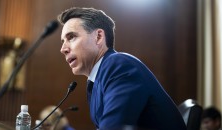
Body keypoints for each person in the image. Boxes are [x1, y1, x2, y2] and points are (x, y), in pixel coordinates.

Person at [57, 7, 186, 130]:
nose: (63, 49)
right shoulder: (96, 80)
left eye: (71, 37)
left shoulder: (118, 65)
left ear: (98, 37)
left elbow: (112, 127)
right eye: (63, 41)